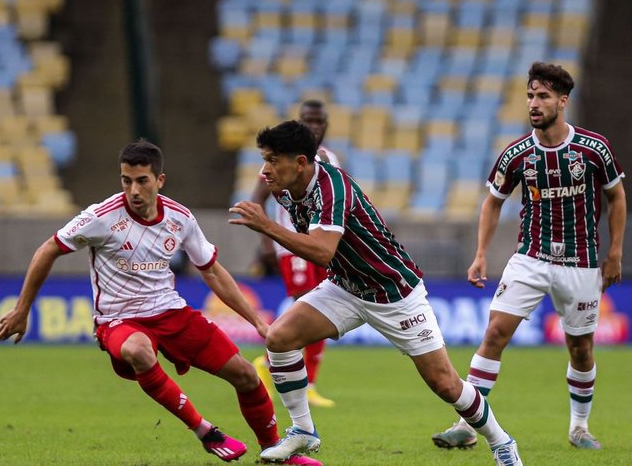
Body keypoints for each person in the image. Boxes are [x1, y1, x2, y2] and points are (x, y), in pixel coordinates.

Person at [0, 140, 322, 466]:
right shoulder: (101, 217)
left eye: (142, 181)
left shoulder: (179, 218)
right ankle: (206, 431)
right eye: (126, 180)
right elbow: (48, 249)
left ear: (159, 180)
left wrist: (257, 321)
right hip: (119, 320)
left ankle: (275, 455)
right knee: (139, 351)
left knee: (246, 375)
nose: (133, 190)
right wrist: (23, 309)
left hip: (171, 312)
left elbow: (212, 271)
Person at [229, 121, 524, 466]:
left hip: (395, 293)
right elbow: (326, 256)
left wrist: (267, 226)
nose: (265, 170)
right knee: (279, 338)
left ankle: (502, 443)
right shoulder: (284, 188)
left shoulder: (332, 188)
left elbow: (322, 251)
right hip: (345, 287)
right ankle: (303, 430)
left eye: (273, 160)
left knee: (445, 384)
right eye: (264, 159)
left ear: (300, 163)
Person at [431, 62, 626, 452]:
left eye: (542, 96)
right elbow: (492, 203)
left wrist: (615, 252)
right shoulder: (517, 154)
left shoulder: (593, 147)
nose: (534, 104)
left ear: (562, 101)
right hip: (530, 259)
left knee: (581, 348)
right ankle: (467, 425)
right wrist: (481, 254)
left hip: (581, 262)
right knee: (495, 334)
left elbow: (616, 196)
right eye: (530, 96)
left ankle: (579, 428)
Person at [251, 99, 339, 408]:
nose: (315, 126)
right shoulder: (282, 161)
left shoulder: (331, 159)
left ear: (326, 124)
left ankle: (308, 381)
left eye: (319, 121)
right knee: (307, 302)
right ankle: (268, 361)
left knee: (322, 309)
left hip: (322, 244)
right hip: (293, 247)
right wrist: (266, 244)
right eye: (308, 121)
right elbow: (257, 198)